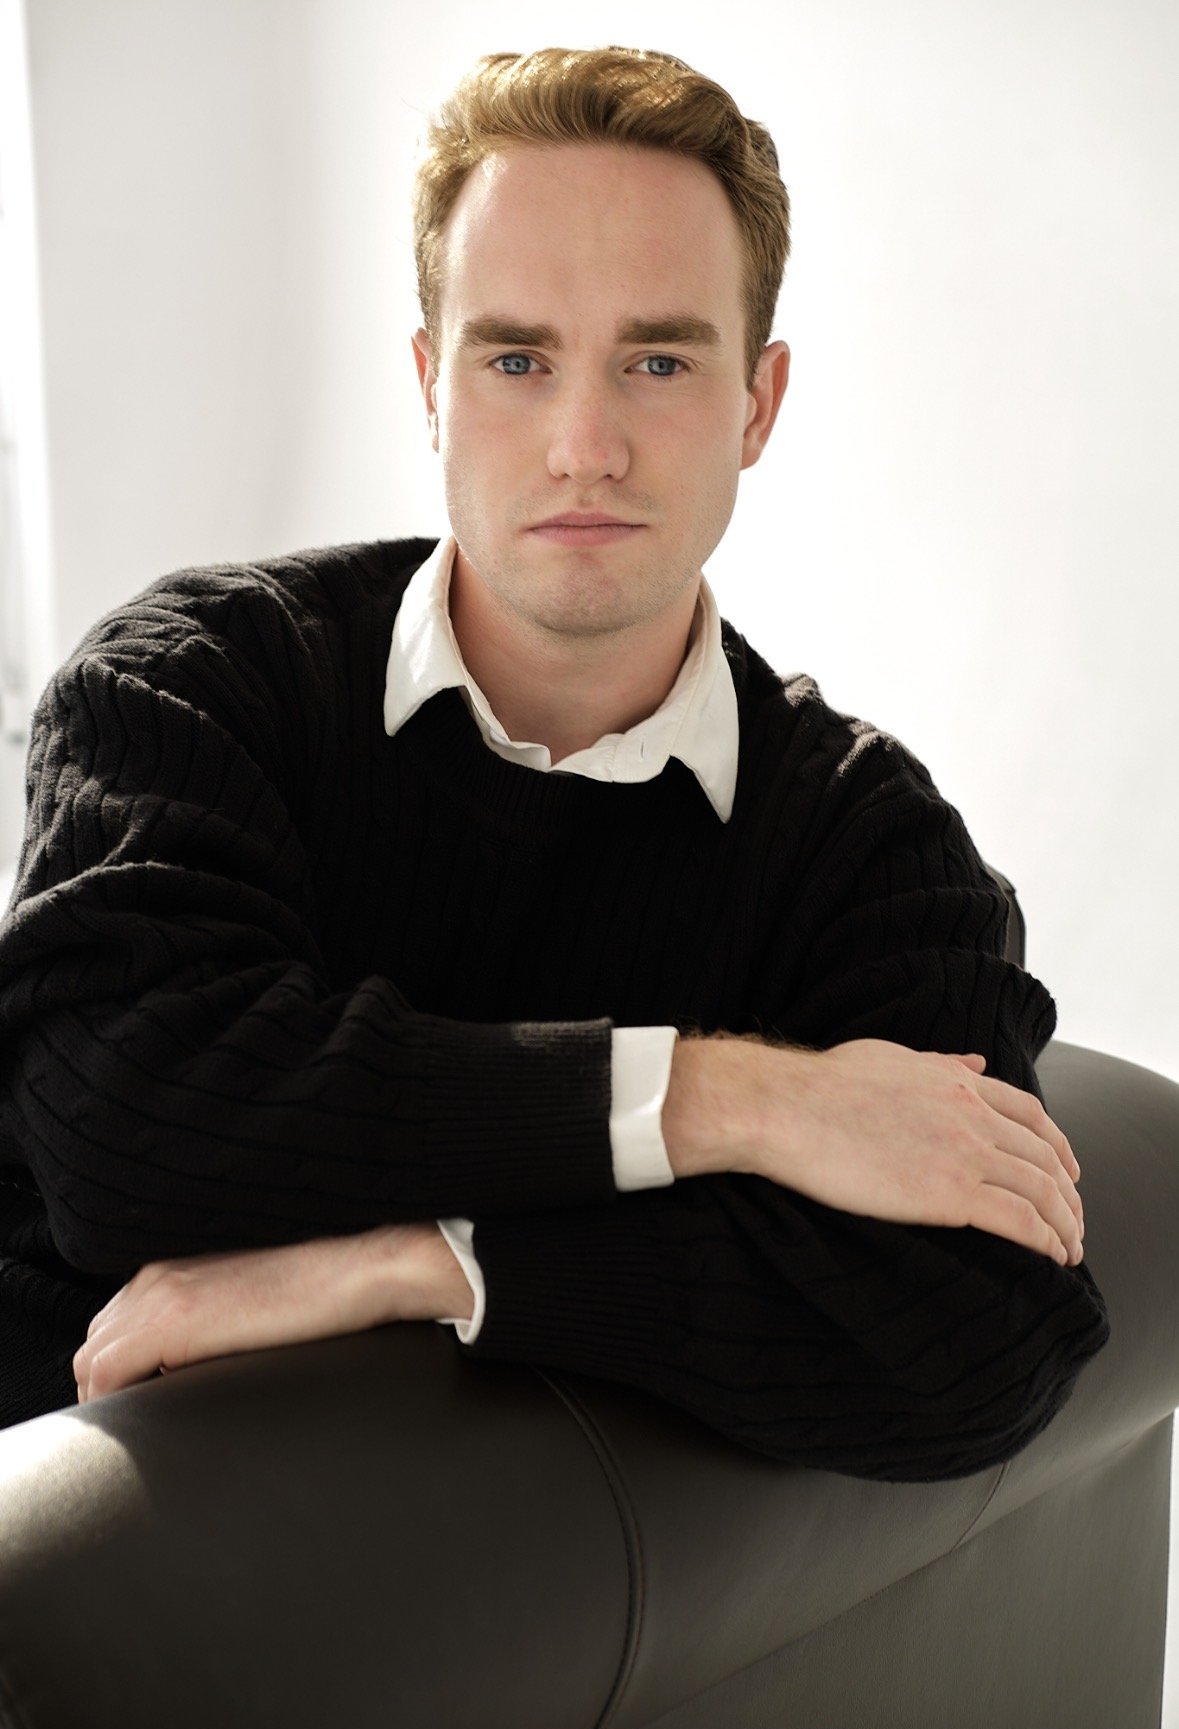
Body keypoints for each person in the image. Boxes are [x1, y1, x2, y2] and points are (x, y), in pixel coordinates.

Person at [0, 45, 1106, 1478]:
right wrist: (737, 1102)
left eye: (659, 362)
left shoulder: (867, 846)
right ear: (431, 384)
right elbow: (121, 1137)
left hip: (456, 1586)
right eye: (517, 360)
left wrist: (426, 1265)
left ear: (759, 404)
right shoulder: (189, 685)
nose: (586, 448)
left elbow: (989, 1325)